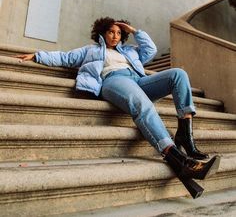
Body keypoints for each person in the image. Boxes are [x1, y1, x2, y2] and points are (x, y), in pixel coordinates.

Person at [16, 17, 220, 198]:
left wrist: (133, 31)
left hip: (139, 81)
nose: (115, 36)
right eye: (111, 32)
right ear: (102, 33)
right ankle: (176, 157)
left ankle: (185, 134)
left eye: (119, 33)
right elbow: (64, 57)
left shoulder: (130, 51)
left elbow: (151, 50)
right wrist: (37, 56)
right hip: (113, 81)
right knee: (143, 105)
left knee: (178, 74)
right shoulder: (91, 50)